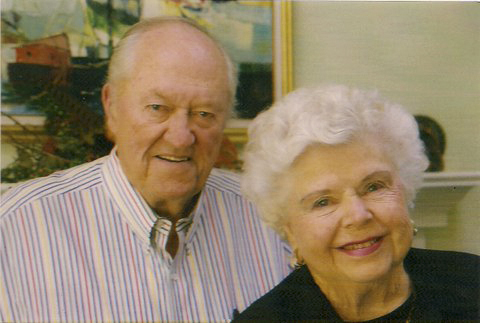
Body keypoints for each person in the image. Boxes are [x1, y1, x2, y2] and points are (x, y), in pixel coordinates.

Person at [0, 17, 291, 322]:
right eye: (157, 108)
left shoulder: (272, 222)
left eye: (204, 114)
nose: (180, 138)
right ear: (111, 107)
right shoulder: (17, 228)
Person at [234, 85, 480, 321]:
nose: (358, 215)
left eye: (374, 186)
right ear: (289, 229)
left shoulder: (471, 280)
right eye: (323, 202)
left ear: (405, 190)